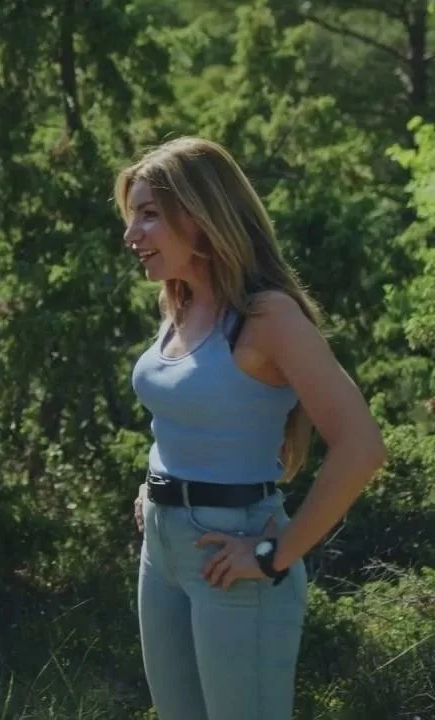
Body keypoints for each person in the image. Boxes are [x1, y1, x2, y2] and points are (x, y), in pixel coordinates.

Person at [118, 136, 386, 719]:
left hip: (232, 554)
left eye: (148, 215)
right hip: (163, 551)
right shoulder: (180, 306)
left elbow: (362, 446)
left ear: (201, 215)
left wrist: (271, 554)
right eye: (131, 216)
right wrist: (155, 486)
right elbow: (192, 414)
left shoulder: (268, 317)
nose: (131, 234)